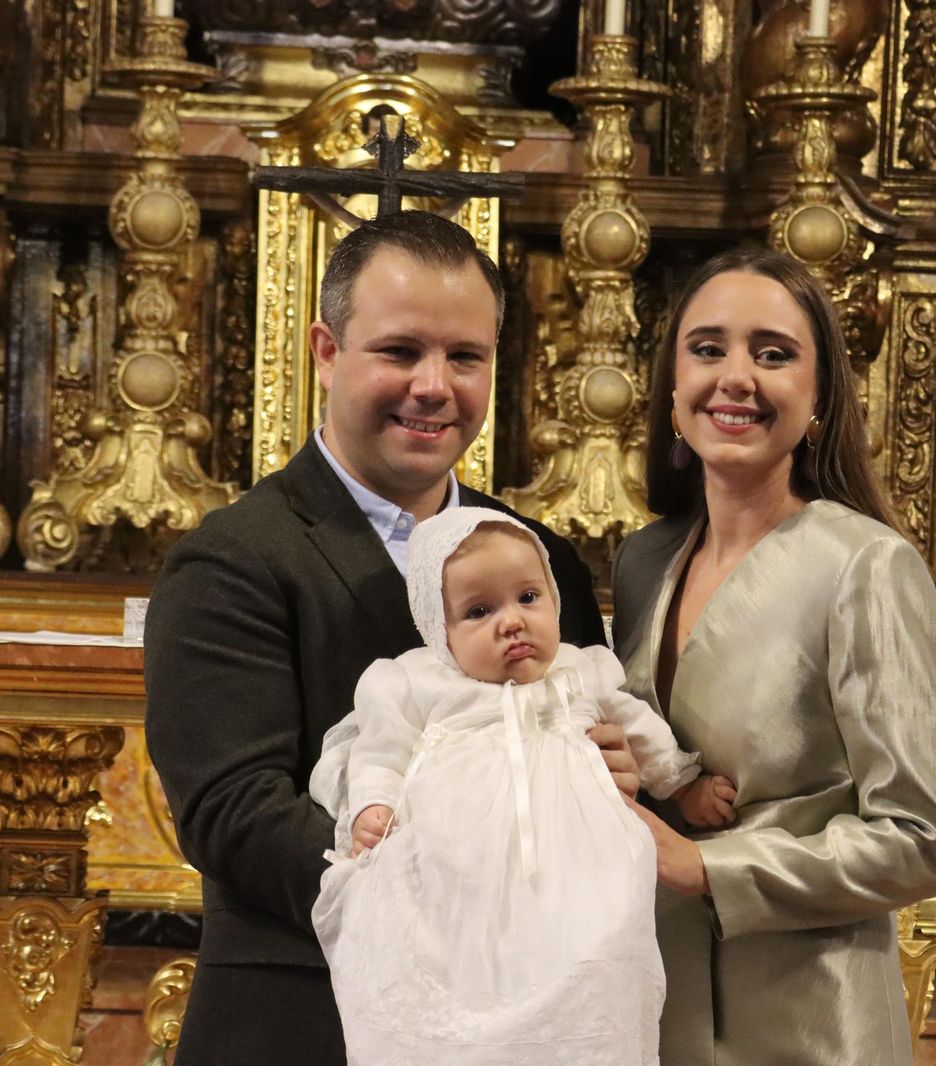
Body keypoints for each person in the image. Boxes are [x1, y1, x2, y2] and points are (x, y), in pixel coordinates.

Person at [143, 211, 616, 1065]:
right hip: (304, 1017)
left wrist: (608, 775)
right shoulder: (233, 559)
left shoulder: (541, 565)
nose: (434, 385)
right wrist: (424, 898)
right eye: (400, 351)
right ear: (327, 351)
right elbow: (233, 811)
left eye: (465, 356)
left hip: (523, 1021)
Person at [611, 247, 936, 1065]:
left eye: (772, 354)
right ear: (672, 390)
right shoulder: (642, 563)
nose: (736, 376)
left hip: (809, 1018)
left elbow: (918, 838)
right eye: (707, 349)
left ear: (819, 398)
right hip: (654, 1004)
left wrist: (709, 867)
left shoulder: (865, 566)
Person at [308, 506, 737, 1064]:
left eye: (528, 598)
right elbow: (381, 752)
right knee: (449, 965)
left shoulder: (583, 671)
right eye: (479, 611)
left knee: (592, 951)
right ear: (439, 632)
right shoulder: (417, 683)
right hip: (457, 872)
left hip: (575, 866)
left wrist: (682, 785)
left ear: (555, 600)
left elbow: (641, 731)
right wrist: (373, 805)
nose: (510, 622)